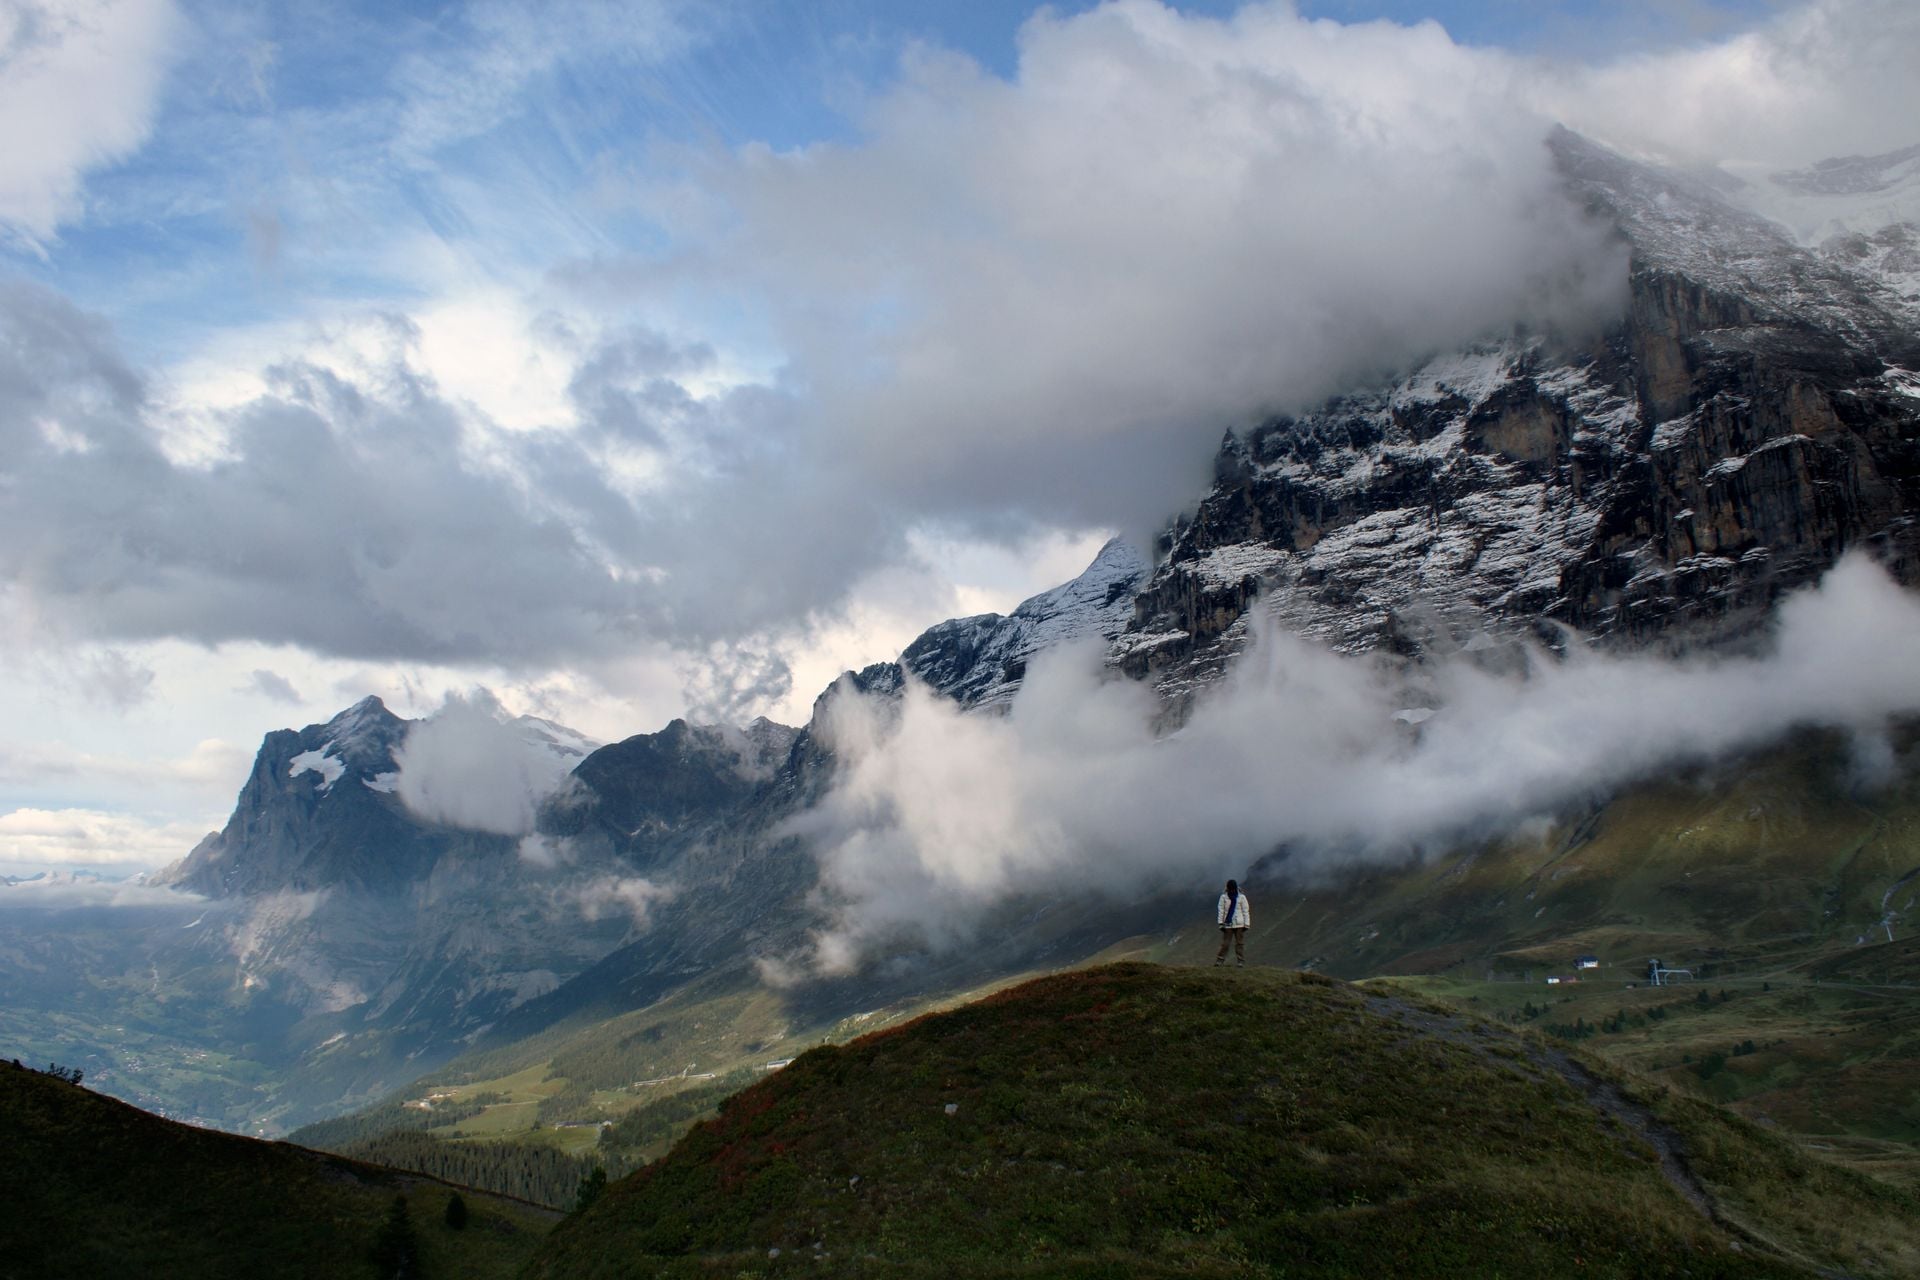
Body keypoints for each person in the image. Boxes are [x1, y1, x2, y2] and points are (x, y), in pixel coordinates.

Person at [1215, 878, 1250, 967]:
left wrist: (1246, 924)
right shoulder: (1223, 897)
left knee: (1239, 943)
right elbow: (1221, 910)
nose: (1232, 890)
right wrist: (1220, 923)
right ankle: (1220, 960)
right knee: (1225, 944)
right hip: (1228, 924)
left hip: (1239, 924)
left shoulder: (1242, 897)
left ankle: (1240, 961)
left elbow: (1245, 910)